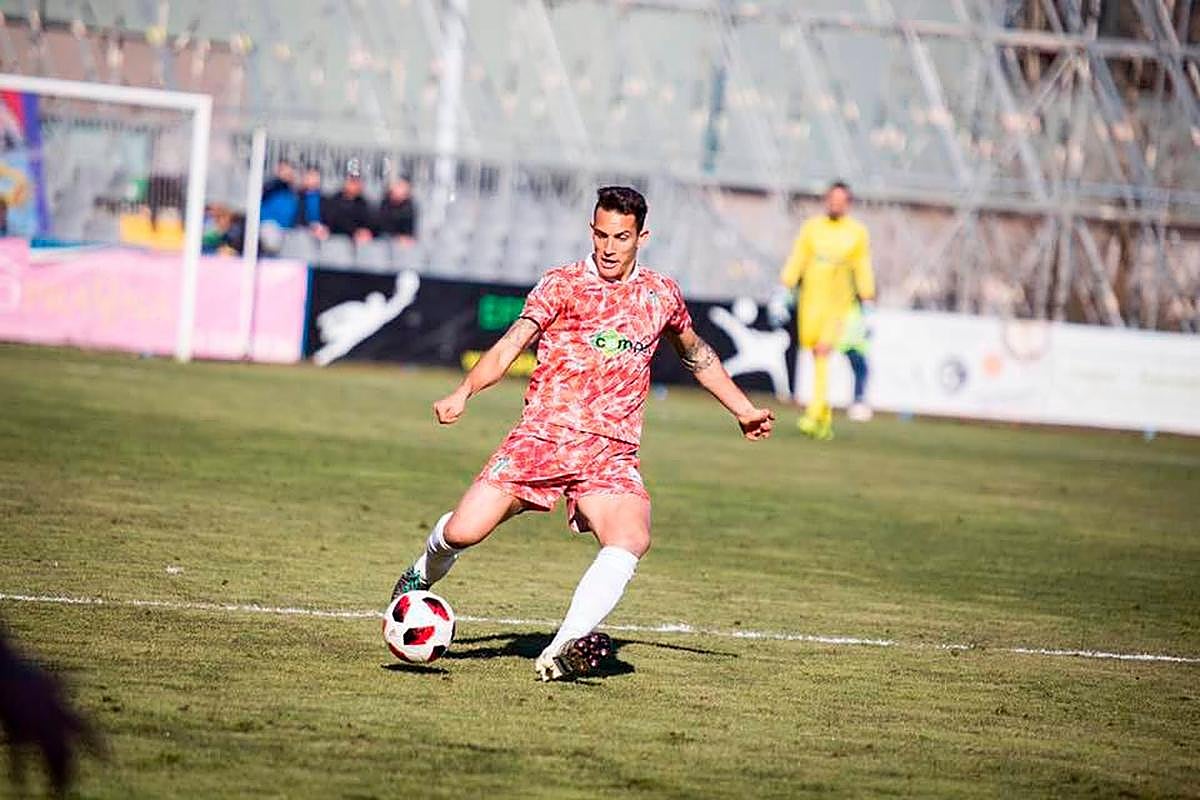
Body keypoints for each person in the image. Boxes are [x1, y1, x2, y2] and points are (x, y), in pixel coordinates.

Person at [389, 186, 775, 681]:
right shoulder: (561, 285)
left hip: (609, 453)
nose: (609, 247)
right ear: (591, 231)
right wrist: (464, 391)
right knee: (464, 531)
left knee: (631, 536)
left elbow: (695, 353)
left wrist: (742, 409)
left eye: (621, 237)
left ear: (642, 237)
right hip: (542, 437)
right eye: (601, 235)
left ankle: (562, 648)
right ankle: (424, 567)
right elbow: (510, 346)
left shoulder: (660, 295)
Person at [769, 181, 875, 440]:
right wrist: (785, 289)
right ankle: (823, 417)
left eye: (840, 200)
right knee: (816, 354)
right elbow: (798, 259)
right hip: (810, 304)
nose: (835, 204)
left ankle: (815, 412)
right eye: (832, 199)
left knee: (823, 351)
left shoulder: (857, 233)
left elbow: (863, 267)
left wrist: (867, 300)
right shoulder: (812, 229)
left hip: (839, 306)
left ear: (847, 203)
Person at [322, 160, 374, 244]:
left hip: (355, 242)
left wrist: (364, 232)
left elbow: (368, 224)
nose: (354, 185)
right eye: (352, 182)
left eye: (357, 182)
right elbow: (330, 222)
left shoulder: (363, 203)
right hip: (333, 239)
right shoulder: (334, 200)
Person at [374, 176, 418, 246]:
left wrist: (406, 237)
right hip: (384, 240)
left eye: (404, 188)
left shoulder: (409, 206)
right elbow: (380, 225)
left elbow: (410, 227)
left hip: (403, 243)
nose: (400, 191)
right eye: (399, 187)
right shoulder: (384, 204)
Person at [295, 164, 329, 241]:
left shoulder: (325, 199)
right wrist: (310, 227)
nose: (311, 179)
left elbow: (329, 219)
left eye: (314, 176)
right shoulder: (296, 196)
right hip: (301, 231)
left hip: (321, 231)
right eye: (309, 176)